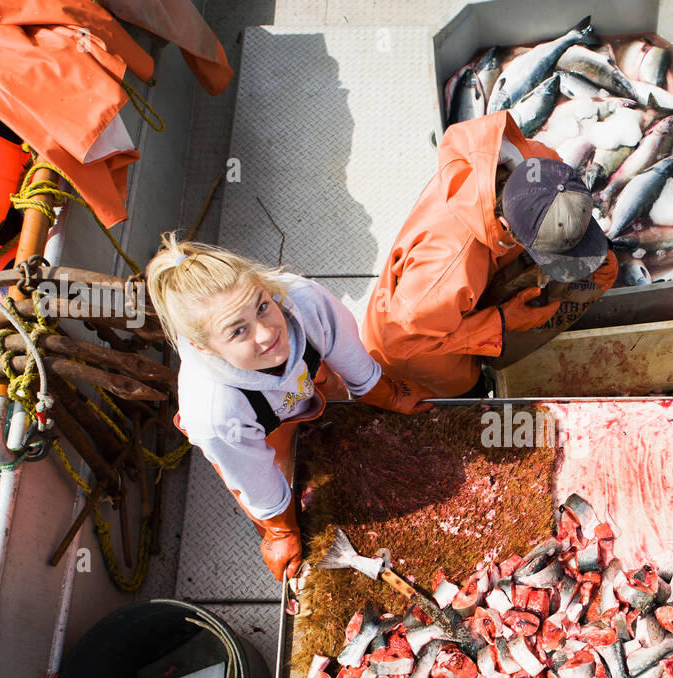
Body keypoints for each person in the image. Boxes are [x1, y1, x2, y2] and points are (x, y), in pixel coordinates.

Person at [147, 235, 433, 582]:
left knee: (342, 416)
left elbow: (345, 348)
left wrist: (386, 393)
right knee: (281, 491)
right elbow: (255, 480)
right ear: (202, 347)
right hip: (256, 430)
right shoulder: (215, 412)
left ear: (266, 289)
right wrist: (280, 531)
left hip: (308, 377)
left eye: (262, 306)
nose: (267, 334)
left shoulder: (302, 299)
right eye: (239, 331)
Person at [361, 111, 619, 398]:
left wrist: (593, 252)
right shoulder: (446, 269)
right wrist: (501, 322)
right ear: (507, 227)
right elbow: (400, 341)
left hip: (461, 293)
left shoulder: (534, 160)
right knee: (461, 391)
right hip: (417, 351)